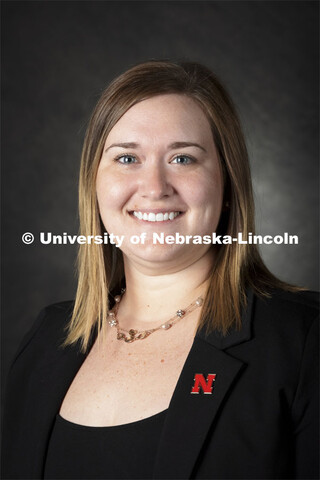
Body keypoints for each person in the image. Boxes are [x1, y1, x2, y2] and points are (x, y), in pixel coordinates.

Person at [1, 61, 319, 480]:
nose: (154, 187)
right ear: (93, 184)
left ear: (227, 185)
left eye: (184, 158)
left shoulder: (303, 340)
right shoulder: (46, 339)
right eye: (127, 157)